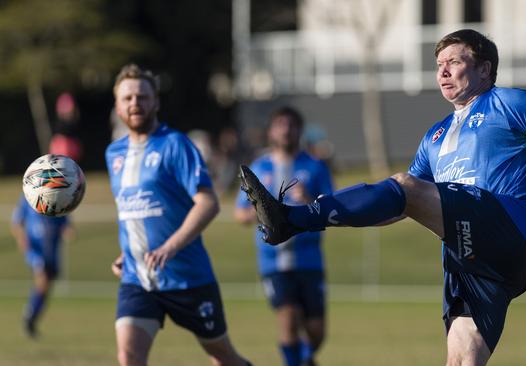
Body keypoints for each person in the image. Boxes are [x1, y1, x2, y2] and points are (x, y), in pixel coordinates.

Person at [238, 29, 526, 365]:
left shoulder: (512, 103)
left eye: (454, 61)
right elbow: (400, 206)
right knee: (461, 360)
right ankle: (298, 219)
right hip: (472, 262)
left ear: (485, 69)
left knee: (406, 186)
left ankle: (293, 218)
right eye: (438, 66)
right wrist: (350, 219)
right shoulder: (433, 137)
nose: (443, 71)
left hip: (511, 227)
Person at [106, 64, 252, 366]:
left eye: (142, 97)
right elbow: (133, 209)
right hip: (138, 278)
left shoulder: (175, 145)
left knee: (223, 357)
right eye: (128, 98)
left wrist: (170, 247)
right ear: (118, 105)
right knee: (128, 355)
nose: (135, 103)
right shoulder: (114, 154)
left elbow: (208, 202)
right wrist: (127, 251)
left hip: (187, 277)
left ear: (156, 102)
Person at [234, 107, 333, 366]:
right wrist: (267, 213)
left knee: (316, 331)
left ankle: (304, 359)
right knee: (288, 319)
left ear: (300, 130)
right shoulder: (260, 167)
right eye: (280, 124)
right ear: (271, 130)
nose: (286, 130)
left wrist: (308, 201)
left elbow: (332, 209)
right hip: (273, 262)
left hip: (309, 259)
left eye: (291, 125)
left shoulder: (315, 167)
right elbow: (240, 214)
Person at [11, 195, 72, 338]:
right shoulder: (29, 195)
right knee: (42, 280)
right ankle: (29, 318)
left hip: (51, 249)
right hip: (35, 249)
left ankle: (31, 316)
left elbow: (64, 222)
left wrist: (67, 230)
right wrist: (21, 238)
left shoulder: (59, 196)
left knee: (45, 288)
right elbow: (17, 221)